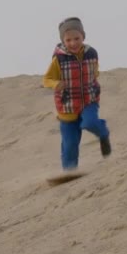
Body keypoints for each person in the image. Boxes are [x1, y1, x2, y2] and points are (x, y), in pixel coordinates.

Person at [43, 17, 111, 170]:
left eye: (76, 38)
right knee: (70, 144)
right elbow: (47, 79)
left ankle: (103, 132)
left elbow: (95, 71)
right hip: (67, 106)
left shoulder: (91, 53)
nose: (73, 43)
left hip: (89, 101)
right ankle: (70, 173)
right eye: (68, 40)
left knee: (90, 123)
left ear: (83, 37)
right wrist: (56, 84)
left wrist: (92, 82)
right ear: (63, 41)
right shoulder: (58, 59)